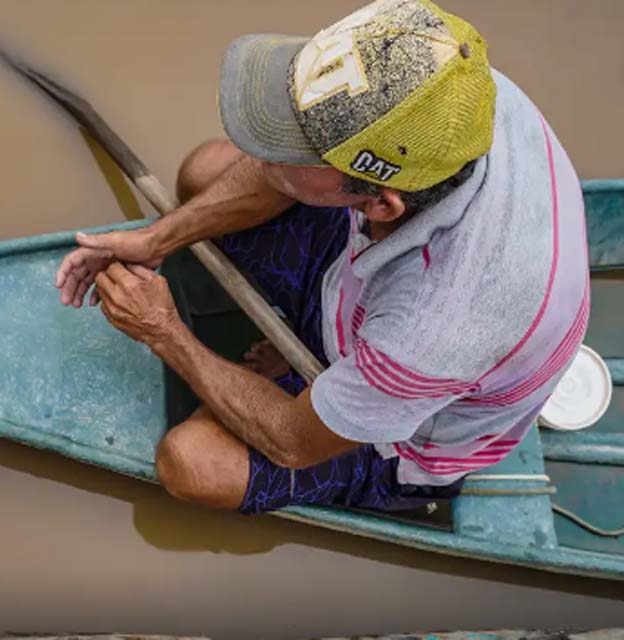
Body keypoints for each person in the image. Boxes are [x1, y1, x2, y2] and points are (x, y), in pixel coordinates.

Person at [53, 0, 589, 515]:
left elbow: (292, 442)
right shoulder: (451, 95)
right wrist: (159, 240)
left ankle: (338, 384)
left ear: (381, 202)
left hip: (402, 434)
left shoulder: (435, 331)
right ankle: (322, 342)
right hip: (366, 290)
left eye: (295, 150)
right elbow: (271, 169)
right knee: (205, 171)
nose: (264, 156)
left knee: (192, 464)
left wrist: (163, 331)